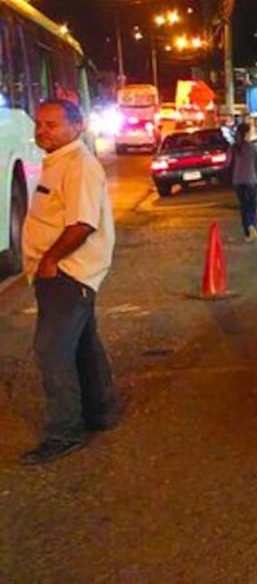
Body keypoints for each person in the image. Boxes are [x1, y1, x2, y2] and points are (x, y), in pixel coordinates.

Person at [21, 99, 118, 465]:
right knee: (82, 344)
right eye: (40, 124)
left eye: (52, 124)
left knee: (52, 350)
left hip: (67, 273)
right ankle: (100, 412)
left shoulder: (78, 165)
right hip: (61, 273)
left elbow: (82, 223)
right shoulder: (60, 162)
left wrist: (50, 260)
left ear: (76, 127)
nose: (42, 131)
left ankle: (64, 432)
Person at [229, 122, 257, 242]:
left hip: (238, 181)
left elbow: (227, 164)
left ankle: (247, 232)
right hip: (251, 181)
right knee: (251, 206)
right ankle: (252, 226)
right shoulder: (254, 148)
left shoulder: (234, 148)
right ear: (247, 133)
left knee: (244, 207)